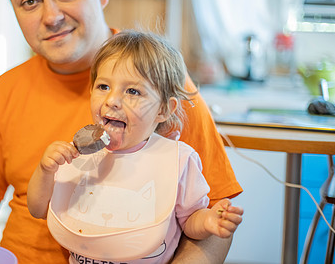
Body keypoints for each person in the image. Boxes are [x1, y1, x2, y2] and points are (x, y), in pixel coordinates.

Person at [0, 0, 242, 263]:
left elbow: (212, 215)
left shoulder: (159, 85)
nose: (51, 17)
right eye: (29, 1)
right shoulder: (7, 89)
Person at [27, 30, 244, 264]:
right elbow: (38, 209)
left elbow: (189, 220)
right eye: (102, 86)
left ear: (163, 110)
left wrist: (209, 222)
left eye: (132, 91)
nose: (111, 100)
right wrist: (45, 171)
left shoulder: (177, 161)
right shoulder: (78, 155)